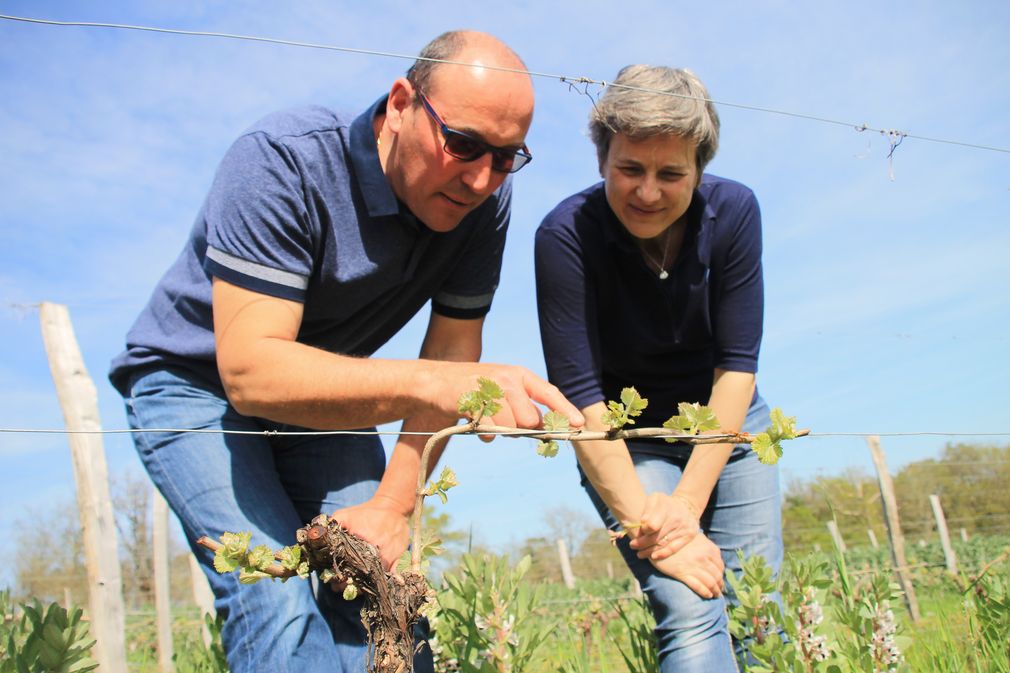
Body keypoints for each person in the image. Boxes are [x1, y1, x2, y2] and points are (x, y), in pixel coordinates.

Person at [109, 30, 583, 673]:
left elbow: (449, 355)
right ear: (399, 105)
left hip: (325, 396)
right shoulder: (283, 161)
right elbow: (250, 371)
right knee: (273, 602)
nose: (479, 179)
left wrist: (394, 503)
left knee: (381, 590)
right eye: (464, 144)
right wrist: (437, 385)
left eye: (505, 157)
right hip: (195, 383)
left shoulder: (482, 204)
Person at [534, 64, 782, 671]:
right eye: (630, 169)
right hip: (624, 439)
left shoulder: (736, 212)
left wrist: (686, 505)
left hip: (727, 429)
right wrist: (654, 521)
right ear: (602, 161)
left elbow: (737, 366)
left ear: (699, 170)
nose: (647, 192)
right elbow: (582, 401)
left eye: (671, 173)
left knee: (758, 614)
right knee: (693, 607)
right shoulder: (564, 235)